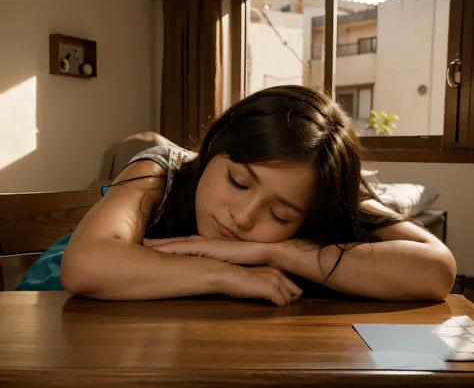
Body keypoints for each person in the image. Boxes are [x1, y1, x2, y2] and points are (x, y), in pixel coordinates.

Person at [18, 85, 456, 305]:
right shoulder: (162, 168)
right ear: (214, 148)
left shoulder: (323, 188)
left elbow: (436, 271)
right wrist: (228, 274)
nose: (243, 218)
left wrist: (284, 254)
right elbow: (85, 266)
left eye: (282, 215)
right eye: (238, 182)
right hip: (44, 317)